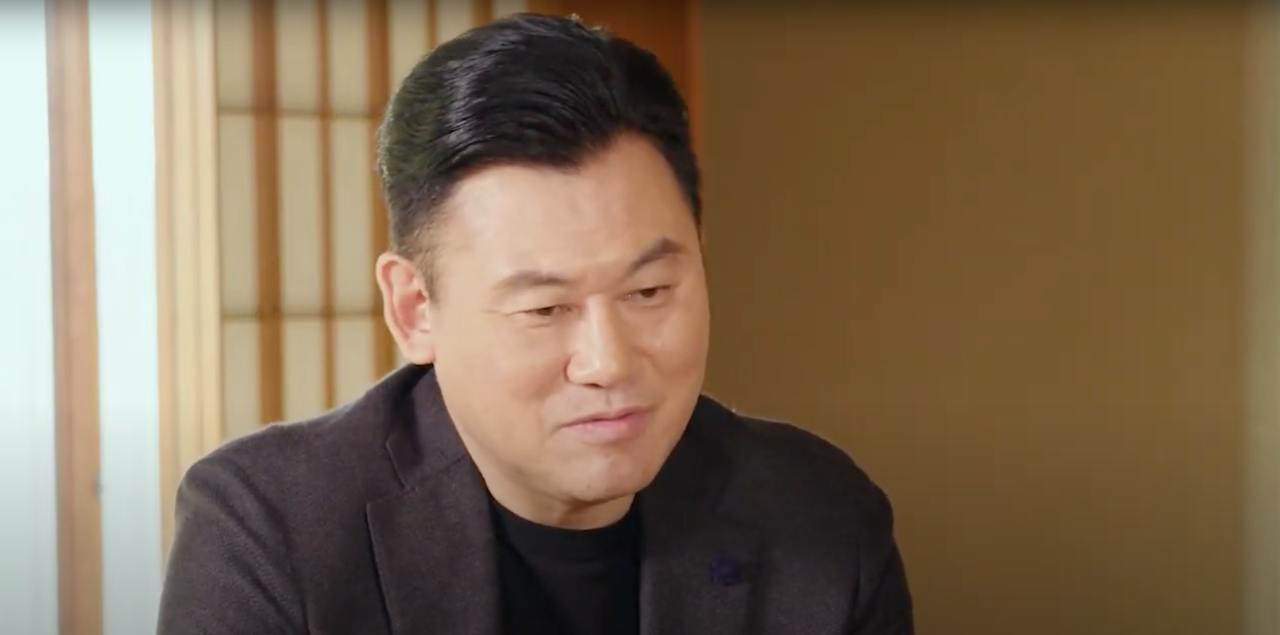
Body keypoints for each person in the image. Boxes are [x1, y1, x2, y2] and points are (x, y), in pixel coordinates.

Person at [158, 12, 912, 634]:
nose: (608, 361)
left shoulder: (820, 515)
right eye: (545, 308)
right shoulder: (271, 530)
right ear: (415, 309)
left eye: (650, 290)